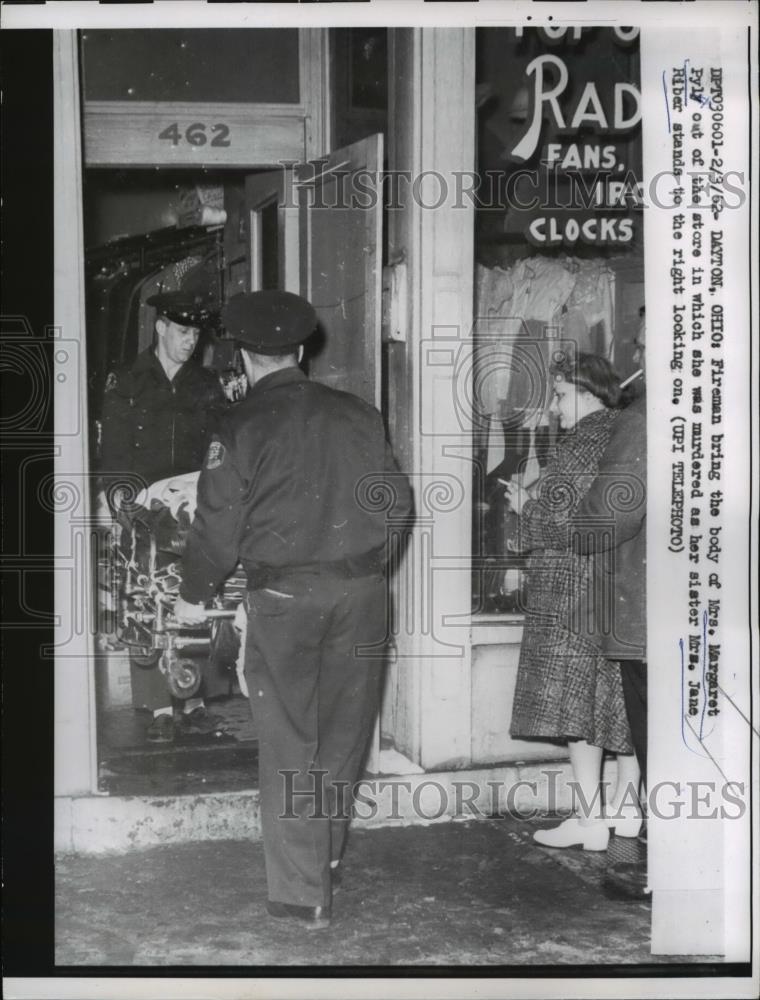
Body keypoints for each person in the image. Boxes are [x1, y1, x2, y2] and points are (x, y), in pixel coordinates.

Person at [174, 290, 412, 930]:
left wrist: (194, 597)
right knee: (343, 735)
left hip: (283, 599)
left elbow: (216, 528)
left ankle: (302, 892)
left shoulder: (240, 425)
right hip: (363, 594)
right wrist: (363, 569)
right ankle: (325, 858)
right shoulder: (360, 414)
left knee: (288, 738)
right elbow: (398, 506)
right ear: (302, 351)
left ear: (245, 356)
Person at [504, 352, 640, 851]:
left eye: (561, 395)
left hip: (569, 589)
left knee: (576, 710)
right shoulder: (626, 431)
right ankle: (627, 810)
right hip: (612, 588)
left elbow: (561, 523)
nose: (557, 409)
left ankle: (588, 821)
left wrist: (525, 507)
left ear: (586, 391)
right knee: (617, 706)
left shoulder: (583, 440)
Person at [99, 288, 228, 744]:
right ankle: (157, 707)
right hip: (142, 508)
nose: (190, 340)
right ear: (160, 328)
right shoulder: (127, 380)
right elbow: (112, 451)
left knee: (197, 598)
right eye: (182, 331)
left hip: (193, 507)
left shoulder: (206, 385)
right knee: (143, 603)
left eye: (195, 333)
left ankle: (194, 702)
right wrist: (121, 504)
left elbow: (220, 449)